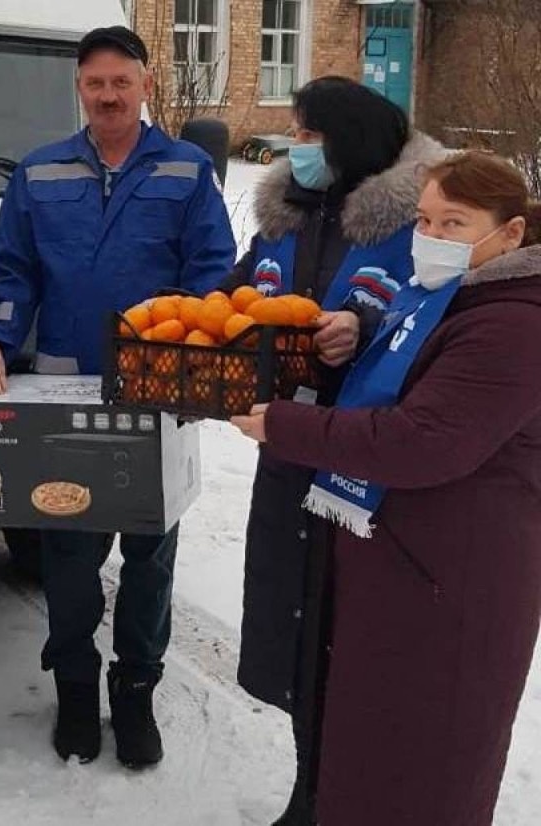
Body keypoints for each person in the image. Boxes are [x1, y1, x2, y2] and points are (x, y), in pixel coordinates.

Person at [230, 150, 541, 826]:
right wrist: (362, 328)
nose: (431, 237)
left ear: (511, 233)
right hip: (403, 579)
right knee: (371, 763)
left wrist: (288, 426)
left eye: (454, 223)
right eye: (424, 220)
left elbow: (420, 441)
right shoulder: (453, 296)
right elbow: (414, 369)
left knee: (422, 775)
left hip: (451, 593)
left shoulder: (515, 324)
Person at [0, 26, 237, 767]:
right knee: (67, 552)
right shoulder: (40, 171)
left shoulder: (186, 171)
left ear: (147, 85)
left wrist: (187, 356)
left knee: (151, 553)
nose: (109, 96)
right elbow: (13, 271)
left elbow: (212, 271)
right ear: (80, 89)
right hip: (65, 389)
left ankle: (136, 694)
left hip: (158, 394)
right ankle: (76, 693)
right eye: (96, 84)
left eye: (123, 82)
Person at [219, 76, 447, 825]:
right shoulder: (288, 216)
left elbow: (431, 322)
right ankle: (309, 790)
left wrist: (362, 329)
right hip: (288, 451)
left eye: (311, 133)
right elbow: (239, 291)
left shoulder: (420, 222)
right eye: (298, 133)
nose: (299, 148)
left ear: (350, 139)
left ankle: (344, 795)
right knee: (295, 628)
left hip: (365, 472)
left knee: (351, 642)